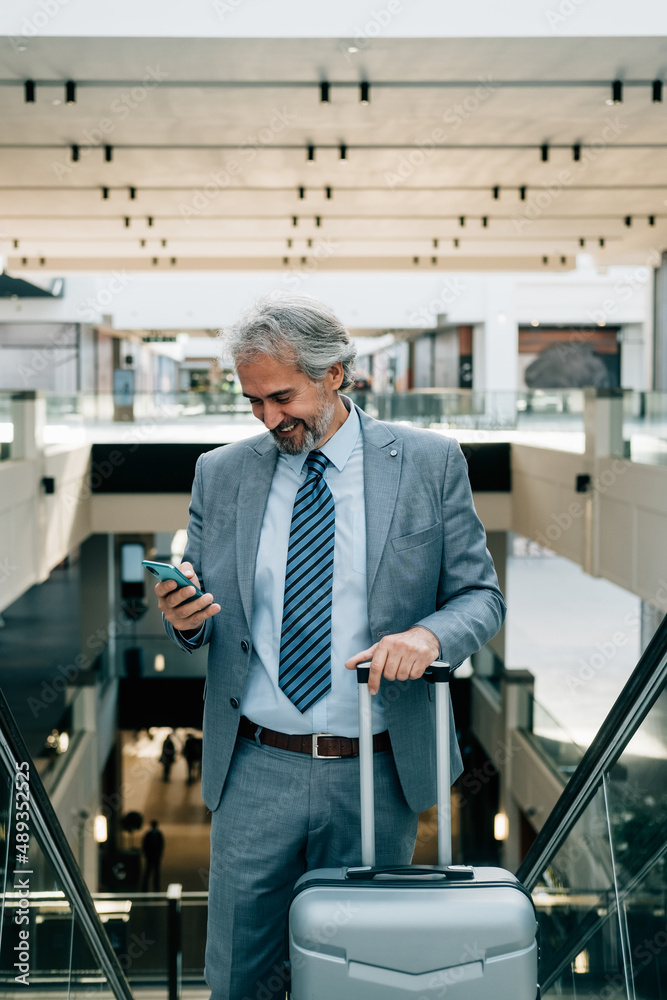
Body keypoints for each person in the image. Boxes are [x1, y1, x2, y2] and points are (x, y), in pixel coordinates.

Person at [157, 292, 505, 1000]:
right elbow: (202, 619)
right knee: (239, 975)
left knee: (361, 972)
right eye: (253, 402)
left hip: (376, 773)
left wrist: (426, 635)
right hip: (254, 765)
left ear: (335, 373)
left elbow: (481, 598)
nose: (267, 418)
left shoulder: (428, 464)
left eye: (281, 397)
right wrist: (183, 615)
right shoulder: (219, 474)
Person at [141, 819, 165, 892]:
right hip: (153, 856)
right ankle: (154, 887)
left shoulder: (149, 834)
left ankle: (149, 887)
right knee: (153, 872)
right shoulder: (158, 834)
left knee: (150, 872)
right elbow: (161, 845)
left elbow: (145, 844)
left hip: (152, 856)